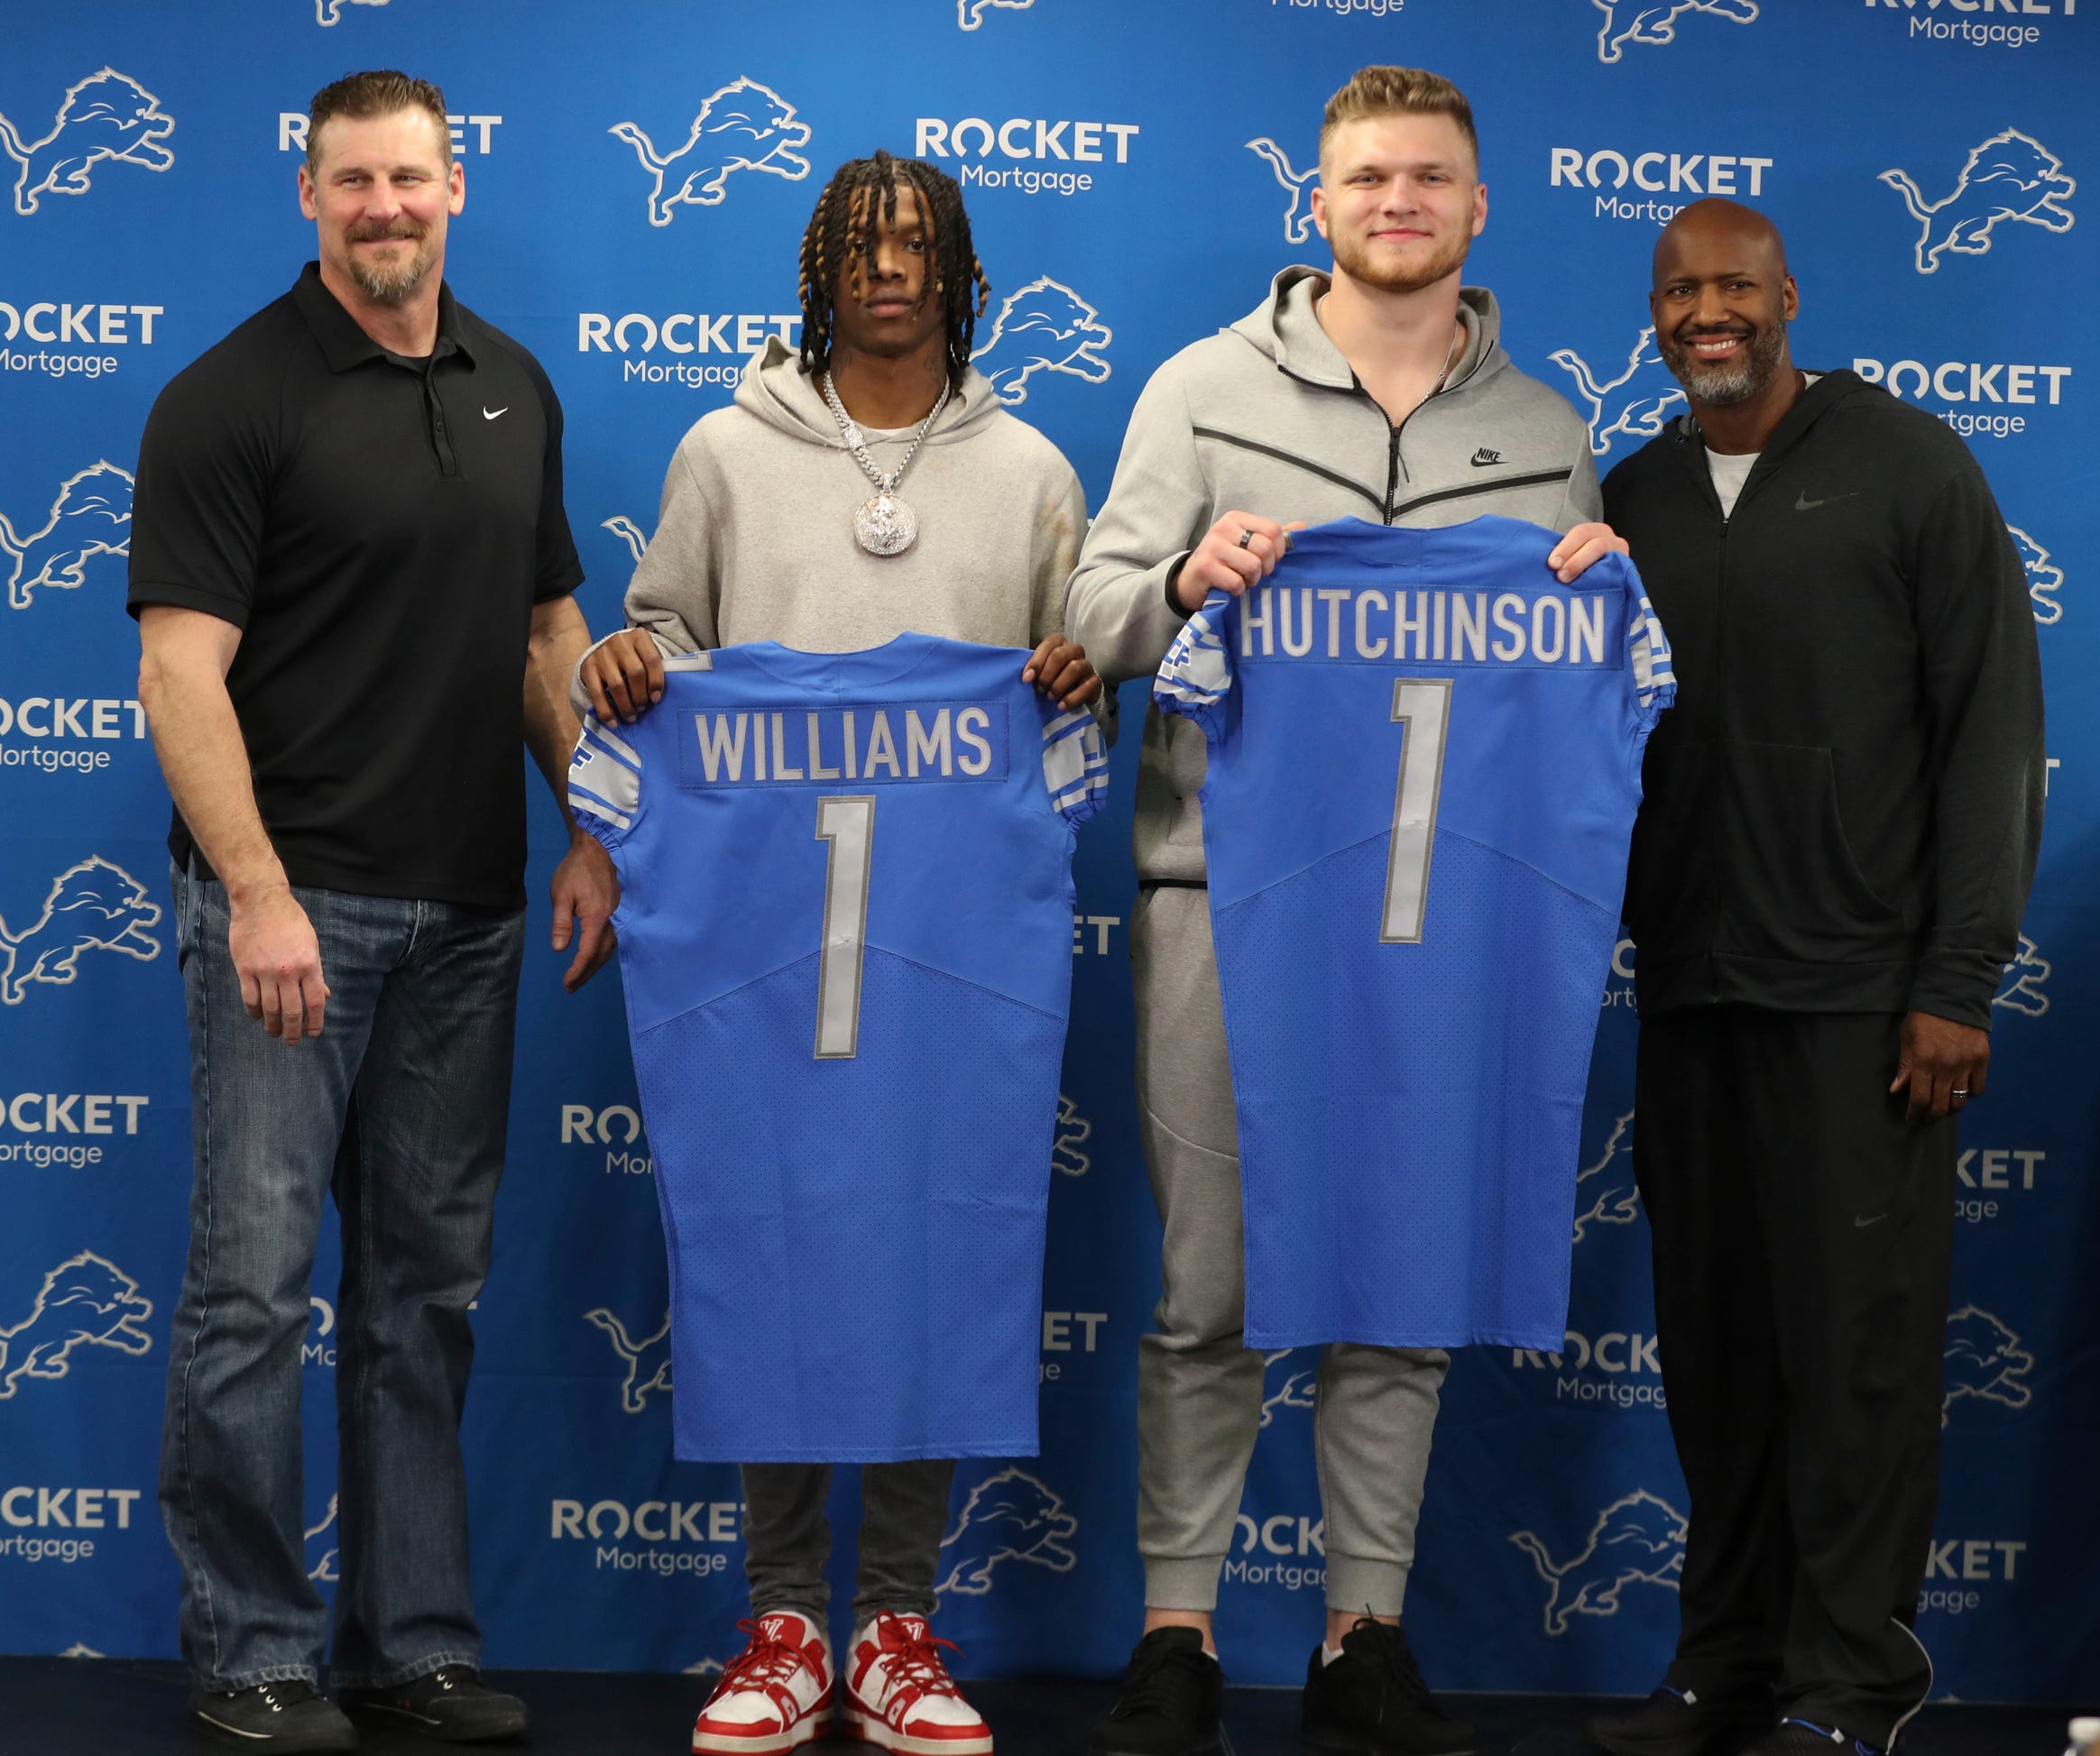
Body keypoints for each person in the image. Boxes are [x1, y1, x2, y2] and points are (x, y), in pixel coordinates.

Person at [1065, 64, 1629, 1756]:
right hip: (1224, 900)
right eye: (1369, 176)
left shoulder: (1543, 430)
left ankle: (1360, 1630)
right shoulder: (1201, 387)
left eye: (1431, 178)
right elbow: (1089, 616)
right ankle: (1176, 1628)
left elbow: (1579, 690)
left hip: (1449, 926)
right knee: (1213, 1284)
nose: (1399, 201)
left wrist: (1606, 594)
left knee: (1401, 1278)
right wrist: (1184, 583)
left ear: (1477, 207)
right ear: (1317, 203)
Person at [575, 149, 1099, 1756]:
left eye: (916, 241)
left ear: (957, 266)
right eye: (861, 243)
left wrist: (1077, 673)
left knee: (939, 1247)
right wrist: (629, 661)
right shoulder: (727, 450)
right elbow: (660, 640)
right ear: (820, 266)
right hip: (760, 933)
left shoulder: (1031, 471)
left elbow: (1070, 696)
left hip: (947, 942)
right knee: (773, 1238)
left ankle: (901, 1627)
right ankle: (786, 1621)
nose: (889, 266)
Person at [129, 69, 615, 1752]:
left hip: (473, 915)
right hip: (292, 917)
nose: (385, 207)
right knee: (257, 1293)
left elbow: (551, 638)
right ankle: (249, 1653)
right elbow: (177, 678)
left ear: (455, 185)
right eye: (353, 182)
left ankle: (412, 1645)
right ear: (310, 194)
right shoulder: (231, 397)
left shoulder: (514, 388)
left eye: (409, 178)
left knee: (422, 1297)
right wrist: (254, 894)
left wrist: (589, 833)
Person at [1589, 198, 2044, 1756]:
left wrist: (1959, 978)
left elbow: (1992, 734)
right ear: (1652, 315)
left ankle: (1851, 1686)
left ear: (1789, 295)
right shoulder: (1631, 493)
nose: (1707, 314)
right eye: (1679, 293)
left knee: (1855, 1367)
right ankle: (1724, 1660)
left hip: (1866, 1005)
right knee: (1719, 1363)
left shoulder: (1910, 465)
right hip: (1692, 995)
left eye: (1734, 287)